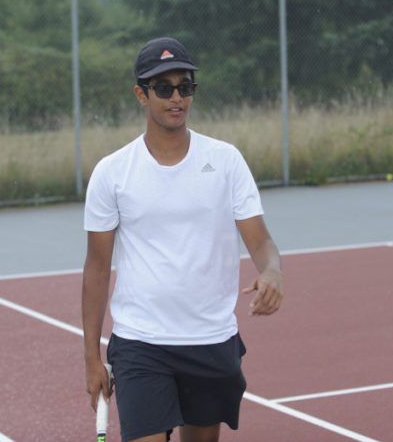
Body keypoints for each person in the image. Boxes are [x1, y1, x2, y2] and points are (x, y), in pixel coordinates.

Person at [82, 37, 283, 442]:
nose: (177, 97)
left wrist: (273, 271)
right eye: (164, 88)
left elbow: (261, 242)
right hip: (141, 343)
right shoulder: (113, 172)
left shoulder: (226, 161)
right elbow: (97, 268)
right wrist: (91, 358)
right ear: (141, 94)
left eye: (185, 87)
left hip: (210, 341)